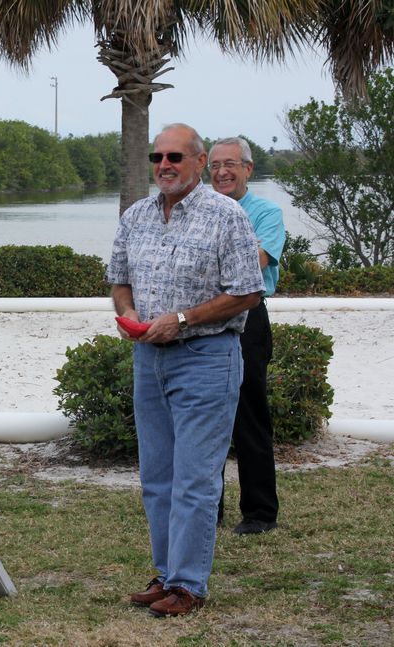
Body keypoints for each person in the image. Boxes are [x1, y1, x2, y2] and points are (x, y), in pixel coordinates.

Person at [107, 124, 264, 617]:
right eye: (157, 157)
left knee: (195, 479)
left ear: (199, 162)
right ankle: (166, 575)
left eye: (175, 156)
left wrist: (181, 319)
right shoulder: (136, 215)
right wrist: (129, 314)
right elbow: (119, 280)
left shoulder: (227, 215)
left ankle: (188, 584)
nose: (164, 165)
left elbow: (247, 291)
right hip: (148, 359)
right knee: (157, 476)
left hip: (206, 357)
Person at [210, 137, 286, 536]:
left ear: (248, 169)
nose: (222, 172)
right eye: (215, 165)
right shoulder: (200, 210)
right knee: (204, 420)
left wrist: (207, 262)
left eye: (231, 164)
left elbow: (255, 263)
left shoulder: (266, 213)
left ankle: (260, 513)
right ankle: (208, 509)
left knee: (249, 417)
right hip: (204, 318)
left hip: (248, 317)